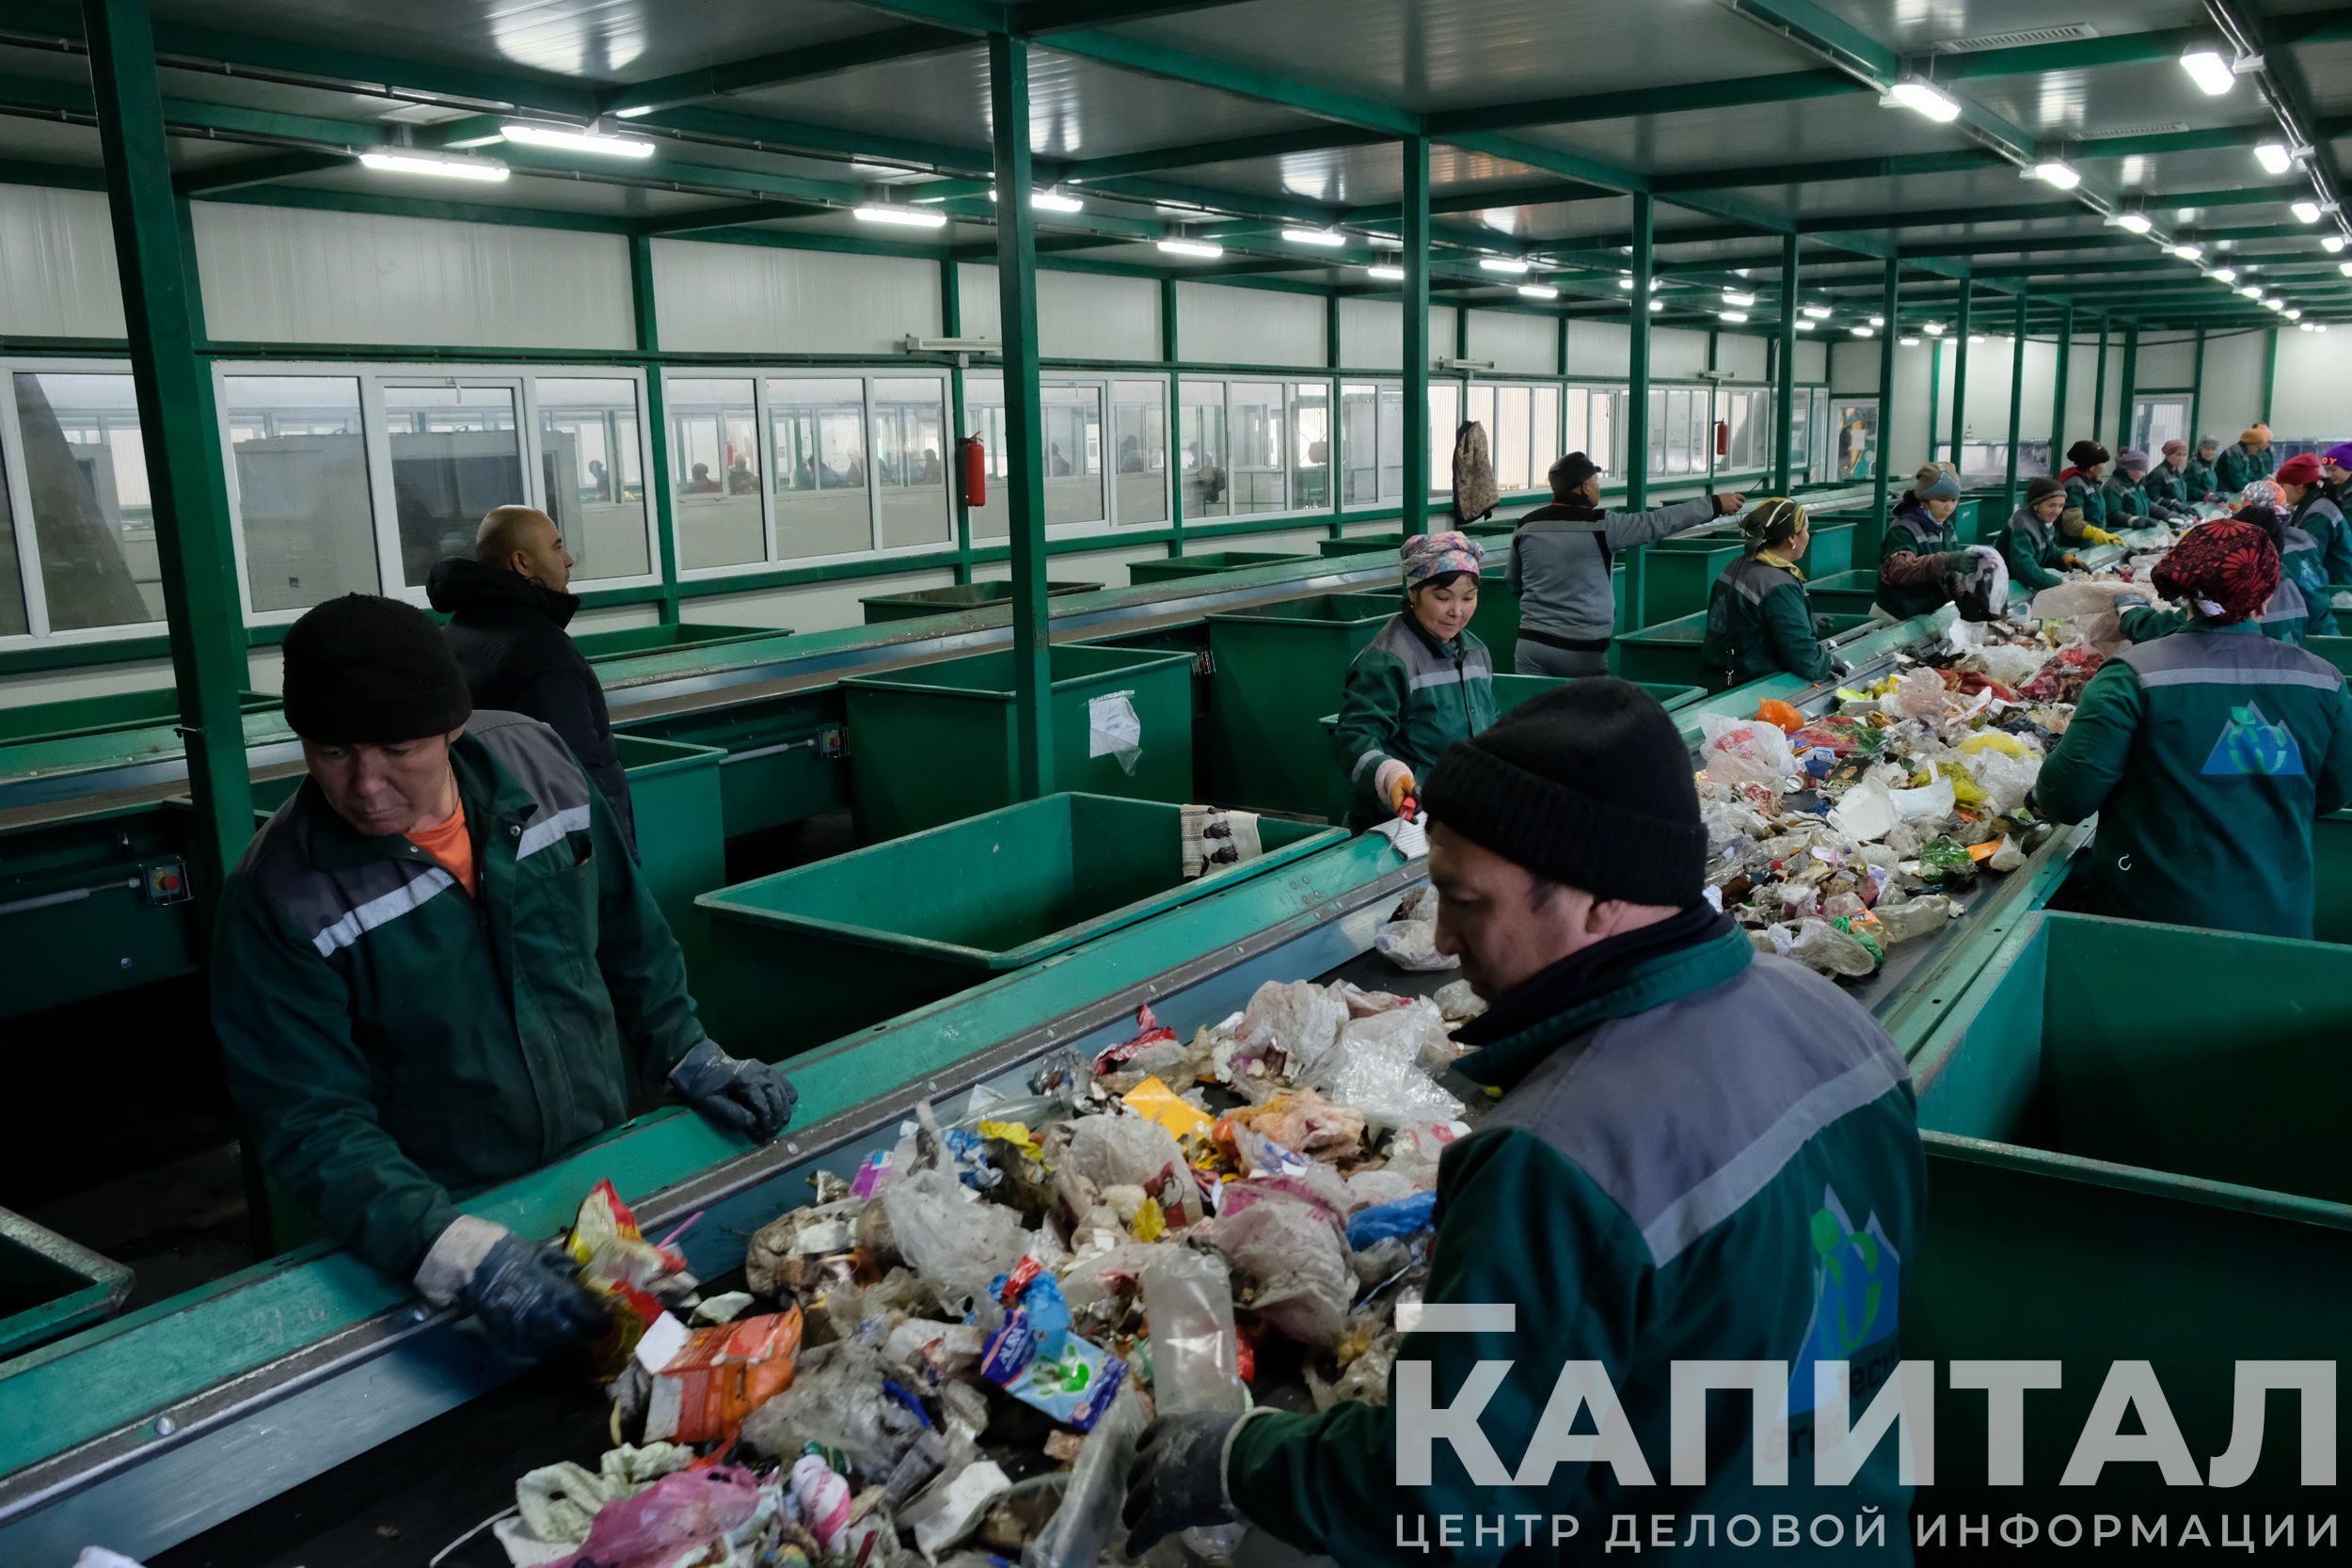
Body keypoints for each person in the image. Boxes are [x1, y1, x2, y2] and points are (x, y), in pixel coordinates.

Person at [1123, 681, 1925, 1560]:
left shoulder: (1557, 1158)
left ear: (1597, 896)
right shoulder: (1840, 1025)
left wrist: (1237, 1458)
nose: (1443, 942)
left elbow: (1440, 1495)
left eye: (1466, 902)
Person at [213, 595, 797, 1352]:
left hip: (599, 1162)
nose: (365, 784)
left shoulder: (540, 765)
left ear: (452, 728)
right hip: (443, 1212)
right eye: (331, 752)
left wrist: (687, 1049)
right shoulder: (281, 898)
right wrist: (450, 1248)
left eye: (399, 750)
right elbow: (309, 1119)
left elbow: (627, 930)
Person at [2042, 519, 2352, 940]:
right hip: (2278, 919)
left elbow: (2067, 798)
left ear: (2185, 590)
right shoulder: (2324, 681)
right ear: (2265, 598)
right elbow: (2333, 792)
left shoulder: (2132, 676)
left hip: (2148, 924)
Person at [427, 506, 637, 855]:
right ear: (522, 563)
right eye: (556, 547)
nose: (568, 559)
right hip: (567, 849)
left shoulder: (457, 631)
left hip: (503, 838)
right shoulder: (542, 648)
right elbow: (574, 770)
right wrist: (614, 859)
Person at [1509, 451, 1744, 676]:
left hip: (1531, 645)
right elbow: (1656, 523)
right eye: (1596, 481)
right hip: (1581, 650)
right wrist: (1713, 504)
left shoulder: (1525, 525)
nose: (1597, 487)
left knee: (1536, 714)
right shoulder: (1602, 525)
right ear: (1584, 487)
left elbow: (1514, 582)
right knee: (1591, 715)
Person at [1329, 532, 1495, 832]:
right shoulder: (1387, 661)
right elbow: (1352, 737)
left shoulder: (1476, 652)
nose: (1457, 611)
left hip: (1459, 815)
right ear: (1415, 592)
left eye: (1468, 598)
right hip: (1399, 823)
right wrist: (1388, 775)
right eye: (1443, 598)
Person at [1698, 497, 1836, 689]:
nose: (1807, 536)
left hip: (1720, 677)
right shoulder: (1778, 585)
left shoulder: (1738, 564)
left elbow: (1748, 617)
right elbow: (1804, 659)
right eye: (1805, 530)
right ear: (1792, 538)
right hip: (1752, 686)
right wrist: (1828, 663)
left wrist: (1801, 616)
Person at [1875, 464, 1972, 619]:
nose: (1949, 506)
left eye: (1954, 500)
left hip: (1926, 617)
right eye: (1942, 500)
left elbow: (1952, 576)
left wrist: (1967, 599)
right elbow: (1897, 569)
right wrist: (1945, 561)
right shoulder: (1903, 529)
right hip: (1896, 618)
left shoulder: (1946, 529)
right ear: (1924, 500)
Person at [2277, 451, 2352, 587]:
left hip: (2338, 587)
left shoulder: (2319, 514)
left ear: (2300, 487)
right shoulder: (2309, 505)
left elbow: (2305, 558)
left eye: (2283, 486)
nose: (2280, 492)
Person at [2000, 476, 2082, 594]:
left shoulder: (2044, 521)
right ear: (2036, 504)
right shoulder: (2023, 525)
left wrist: (2064, 557)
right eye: (2051, 505)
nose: (2056, 511)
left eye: (2061, 506)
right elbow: (2023, 567)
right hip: (2008, 588)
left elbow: (2048, 548)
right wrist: (2057, 584)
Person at [2058, 440, 2114, 533]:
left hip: (2093, 541)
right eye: (2103, 463)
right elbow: (2072, 523)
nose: (2105, 466)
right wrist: (2095, 534)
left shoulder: (2092, 483)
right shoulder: (2075, 485)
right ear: (2091, 467)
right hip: (2081, 544)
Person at [2102, 450, 2160, 528]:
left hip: (2138, 531)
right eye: (2142, 470)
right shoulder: (2113, 487)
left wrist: (2167, 514)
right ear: (2130, 469)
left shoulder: (2137, 484)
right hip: (2122, 533)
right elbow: (2113, 514)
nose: (2144, 475)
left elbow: (2147, 503)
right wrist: (2135, 520)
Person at [2143, 440, 2197, 517]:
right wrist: (2171, 503)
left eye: (2184, 455)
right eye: (2178, 455)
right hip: (2165, 517)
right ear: (2168, 455)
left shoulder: (2178, 473)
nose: (2181, 458)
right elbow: (2153, 498)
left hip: (2179, 514)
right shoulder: (2158, 474)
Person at [2216, 426, 2270, 495]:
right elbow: (2237, 479)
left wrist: (2262, 482)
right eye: (2257, 447)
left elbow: (2250, 474)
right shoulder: (2234, 454)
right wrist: (2253, 490)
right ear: (2249, 443)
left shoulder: (2245, 453)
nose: (2257, 451)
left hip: (2235, 490)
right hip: (2226, 492)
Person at [2184, 436, 2225, 503]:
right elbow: (2190, 489)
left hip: (2207, 502)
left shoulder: (2211, 465)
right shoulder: (2195, 466)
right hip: (2195, 504)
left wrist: (2217, 494)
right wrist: (2208, 495)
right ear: (2200, 449)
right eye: (2207, 449)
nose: (2210, 452)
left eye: (2213, 449)